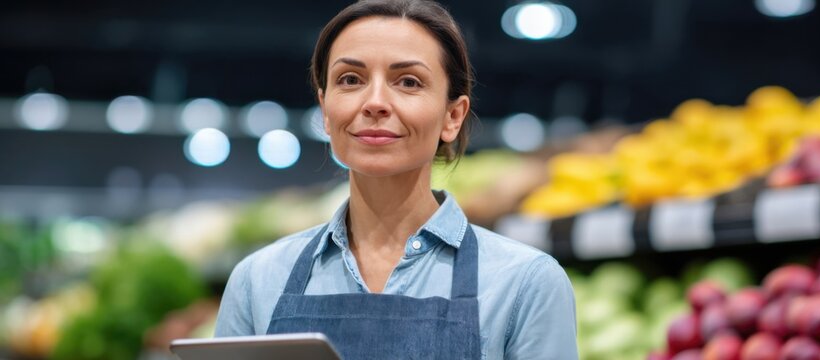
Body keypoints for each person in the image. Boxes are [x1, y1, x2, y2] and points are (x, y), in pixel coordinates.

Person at [214, 0, 578, 358]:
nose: (375, 102)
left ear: (453, 116)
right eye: (351, 79)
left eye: (408, 81)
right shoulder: (256, 281)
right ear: (326, 111)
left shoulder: (525, 284)